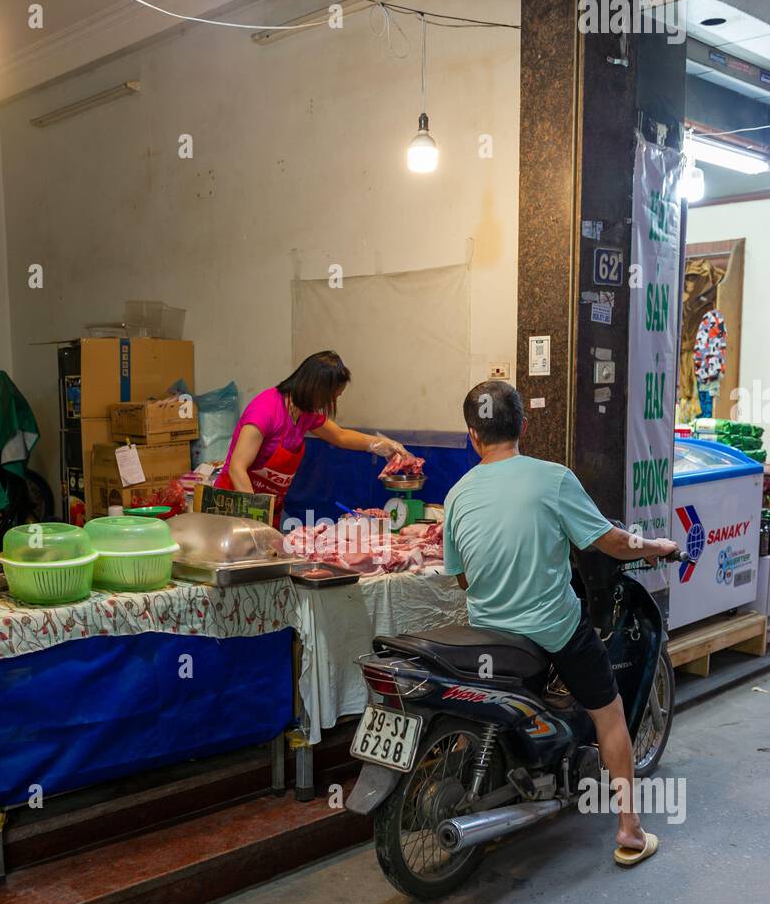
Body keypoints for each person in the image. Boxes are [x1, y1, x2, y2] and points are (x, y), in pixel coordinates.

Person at [444, 380, 677, 869]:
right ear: (523, 426)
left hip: (487, 633)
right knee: (608, 712)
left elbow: (463, 578)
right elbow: (610, 542)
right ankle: (630, 829)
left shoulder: (457, 495)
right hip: (550, 629)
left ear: (472, 435)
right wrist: (656, 546)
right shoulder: (552, 479)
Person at [215, 351, 412, 520]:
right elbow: (237, 467)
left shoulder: (303, 413)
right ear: (316, 388)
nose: (333, 401)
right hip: (234, 508)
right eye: (332, 396)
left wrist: (384, 444)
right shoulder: (266, 409)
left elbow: (341, 436)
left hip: (267, 509)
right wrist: (254, 516)